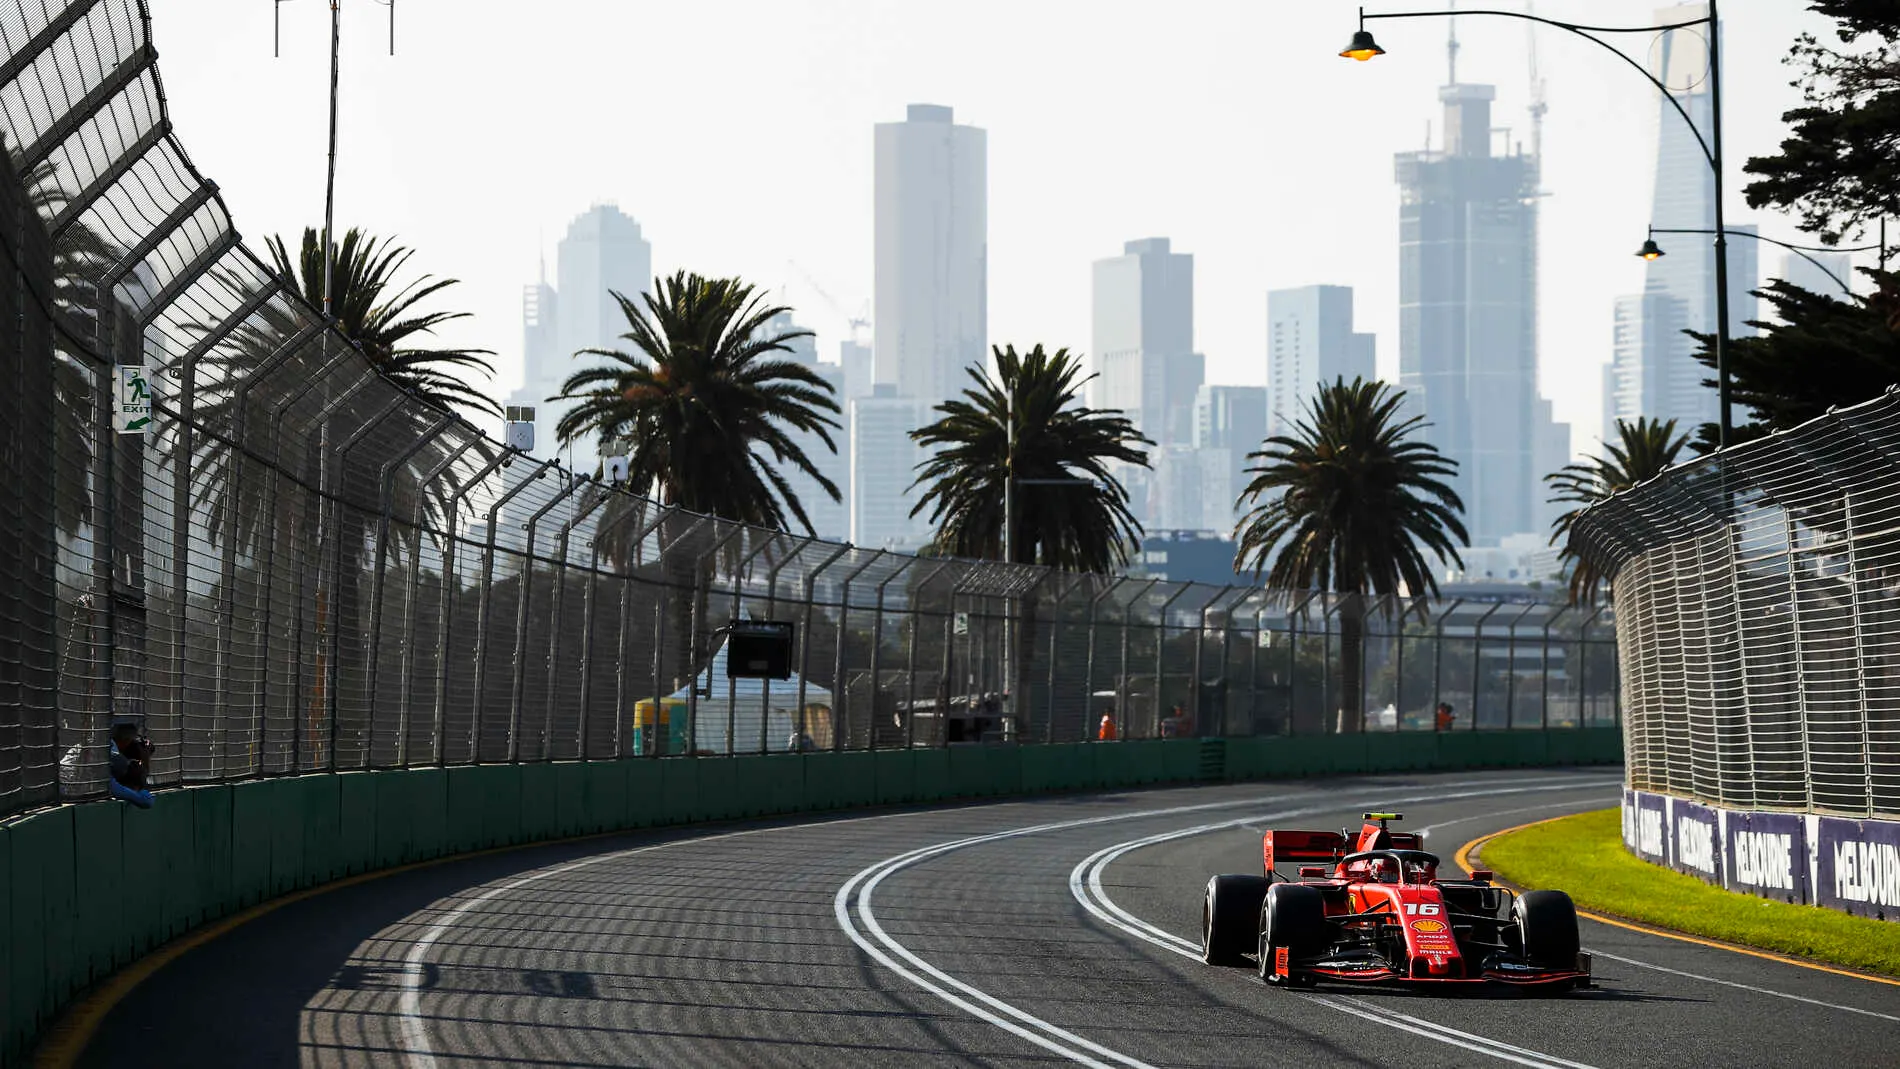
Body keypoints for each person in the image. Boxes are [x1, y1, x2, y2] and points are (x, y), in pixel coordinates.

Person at [108, 721, 155, 809]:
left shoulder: (106, 745)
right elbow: (147, 800)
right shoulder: (110, 782)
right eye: (130, 741)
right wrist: (145, 760)